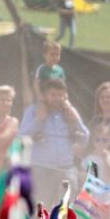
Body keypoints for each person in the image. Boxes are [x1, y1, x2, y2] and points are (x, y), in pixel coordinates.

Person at [19, 78, 89, 207]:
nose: (58, 98)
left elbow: (85, 138)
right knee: (40, 210)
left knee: (65, 210)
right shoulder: (33, 110)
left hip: (67, 169)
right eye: (53, 95)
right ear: (45, 95)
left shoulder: (69, 113)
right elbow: (22, 137)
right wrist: (39, 120)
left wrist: (76, 121)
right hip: (42, 169)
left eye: (61, 95)